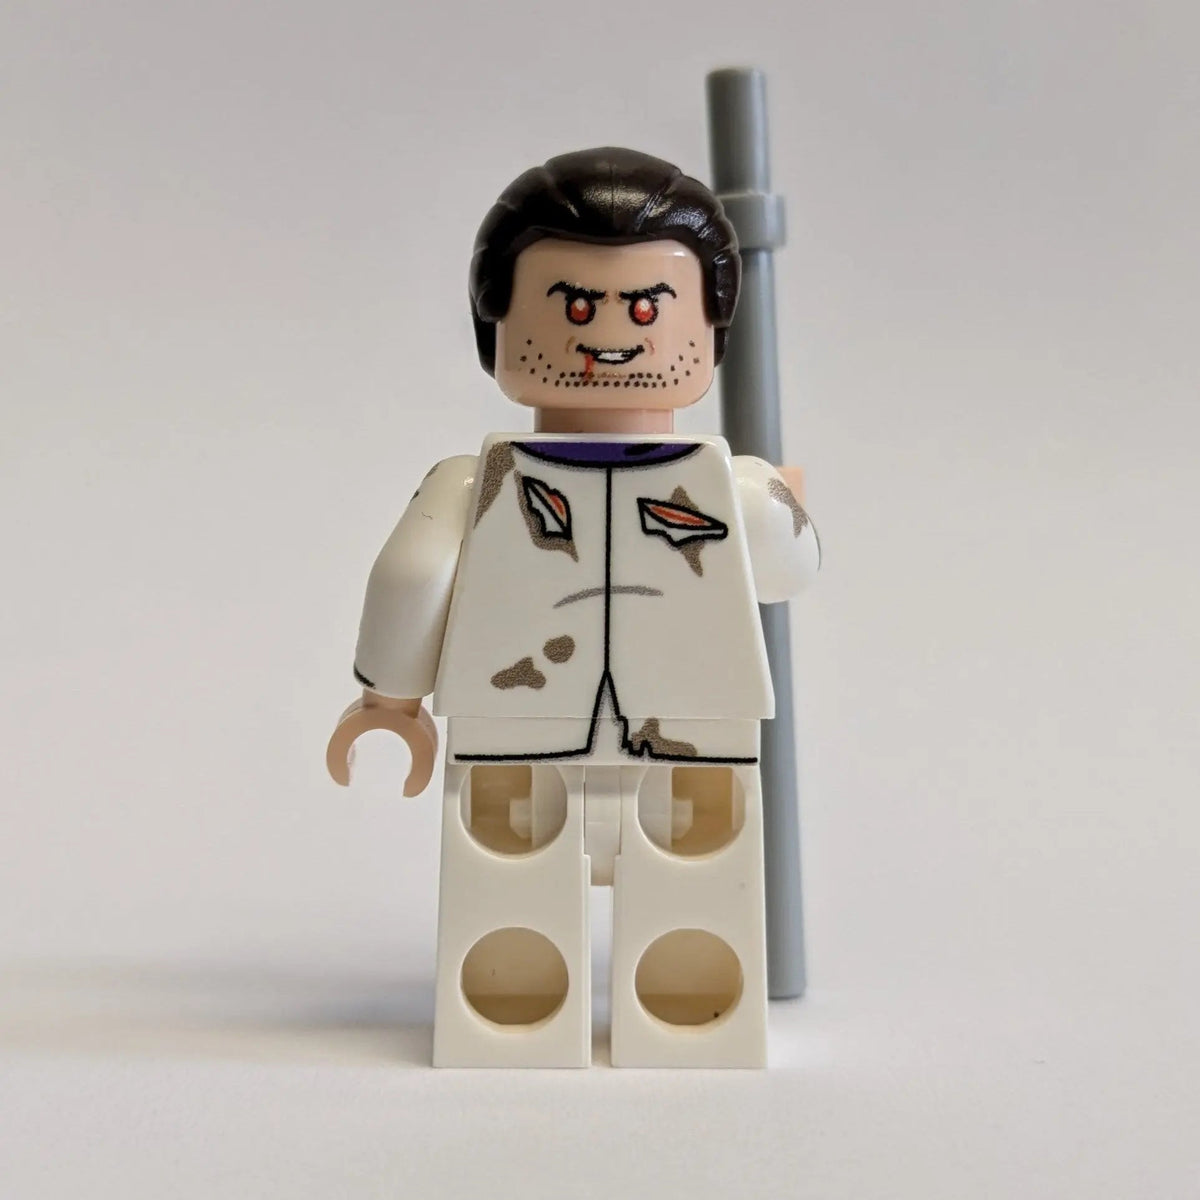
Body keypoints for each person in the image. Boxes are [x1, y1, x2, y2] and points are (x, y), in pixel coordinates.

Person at [327, 148, 819, 1067]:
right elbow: (415, 575)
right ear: (497, 325)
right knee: (552, 893)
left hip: (661, 722)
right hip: (560, 716)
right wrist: (775, 504)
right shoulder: (489, 481)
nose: (614, 339)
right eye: (575, 308)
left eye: (649, 308)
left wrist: (388, 695)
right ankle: (588, 1021)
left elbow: (412, 576)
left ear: (713, 330)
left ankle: (590, 1022)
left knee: (660, 894)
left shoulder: (719, 484)